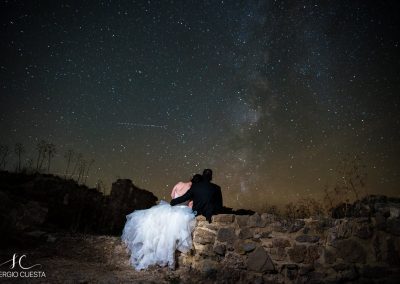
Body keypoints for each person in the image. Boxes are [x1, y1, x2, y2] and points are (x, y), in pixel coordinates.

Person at [121, 174, 202, 270]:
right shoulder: (192, 189)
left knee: (161, 234)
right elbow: (190, 204)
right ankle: (170, 261)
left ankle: (158, 256)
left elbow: (172, 195)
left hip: (170, 209)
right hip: (181, 211)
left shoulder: (179, 183)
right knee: (170, 237)